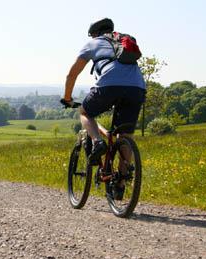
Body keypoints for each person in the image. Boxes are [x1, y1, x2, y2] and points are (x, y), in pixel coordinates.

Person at [61, 18, 146, 199]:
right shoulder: (125, 39)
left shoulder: (93, 43)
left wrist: (67, 98)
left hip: (109, 85)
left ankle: (98, 142)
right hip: (137, 87)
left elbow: (72, 74)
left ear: (94, 33)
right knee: (124, 136)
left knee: (84, 112)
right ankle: (120, 185)